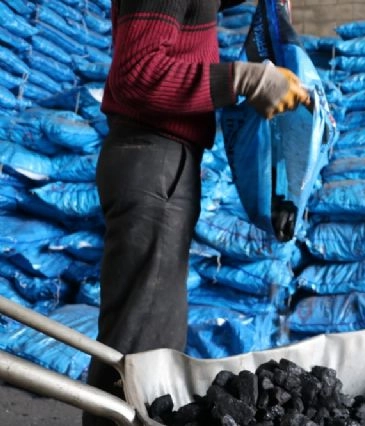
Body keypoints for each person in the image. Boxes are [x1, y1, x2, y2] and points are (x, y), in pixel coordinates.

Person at [82, 1, 310, 425]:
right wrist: (244, 79)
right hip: (155, 161)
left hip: (160, 161)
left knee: (142, 339)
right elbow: (136, 75)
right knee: (140, 350)